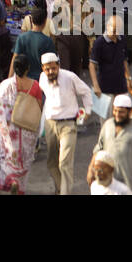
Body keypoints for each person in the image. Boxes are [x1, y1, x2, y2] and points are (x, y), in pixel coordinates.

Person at [0, 54, 45, 194]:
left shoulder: (6, 86)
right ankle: (19, 186)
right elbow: (39, 107)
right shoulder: (35, 86)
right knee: (25, 159)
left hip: (11, 129)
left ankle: (12, 180)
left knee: (9, 157)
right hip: (28, 130)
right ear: (28, 69)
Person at [39, 51, 92, 195]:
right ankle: (60, 188)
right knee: (52, 163)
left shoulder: (70, 77)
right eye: (47, 69)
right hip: (50, 124)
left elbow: (86, 91)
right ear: (42, 68)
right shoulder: (42, 78)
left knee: (64, 163)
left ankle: (65, 192)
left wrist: (87, 111)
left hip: (68, 124)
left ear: (59, 66)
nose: (50, 72)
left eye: (53, 68)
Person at [90, 94, 132, 195]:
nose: (117, 115)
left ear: (129, 112)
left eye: (121, 112)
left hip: (130, 183)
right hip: (108, 182)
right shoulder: (107, 125)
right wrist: (91, 170)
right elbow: (98, 150)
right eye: (115, 111)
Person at [51, 0, 89, 77]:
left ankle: (74, 91)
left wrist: (91, 43)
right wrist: (53, 41)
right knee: (64, 68)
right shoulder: (59, 2)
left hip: (78, 38)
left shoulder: (85, 2)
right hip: (63, 38)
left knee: (76, 69)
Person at [89, 15, 131, 103]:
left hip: (121, 86)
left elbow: (124, 61)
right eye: (114, 28)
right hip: (105, 88)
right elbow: (92, 65)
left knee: (123, 112)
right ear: (107, 26)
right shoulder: (99, 42)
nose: (115, 32)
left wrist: (128, 78)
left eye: (118, 29)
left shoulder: (122, 40)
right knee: (107, 116)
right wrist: (95, 85)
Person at [13, 8, 54, 81]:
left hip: (24, 78)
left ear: (31, 20)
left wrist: (9, 78)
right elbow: (51, 64)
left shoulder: (21, 38)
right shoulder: (48, 41)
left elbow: (14, 59)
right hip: (41, 80)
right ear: (45, 22)